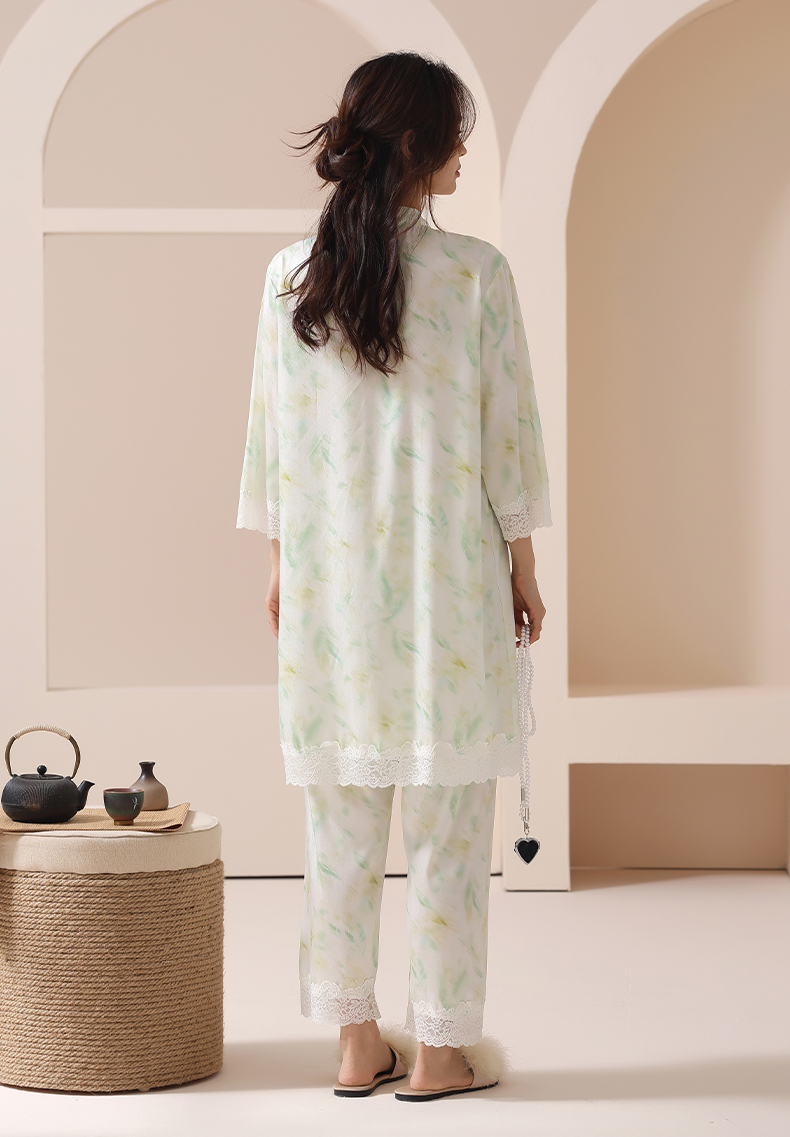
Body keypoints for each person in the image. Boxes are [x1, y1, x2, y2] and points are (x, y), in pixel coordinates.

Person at [237, 50, 550, 1102]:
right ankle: (441, 1053)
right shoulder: (476, 274)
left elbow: (273, 443)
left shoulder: (291, 276)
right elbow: (508, 441)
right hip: (447, 588)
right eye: (455, 136)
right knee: (450, 828)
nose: (464, 154)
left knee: (339, 828)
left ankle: (354, 1042)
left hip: (330, 593)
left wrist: (282, 566)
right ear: (416, 145)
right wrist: (523, 563)